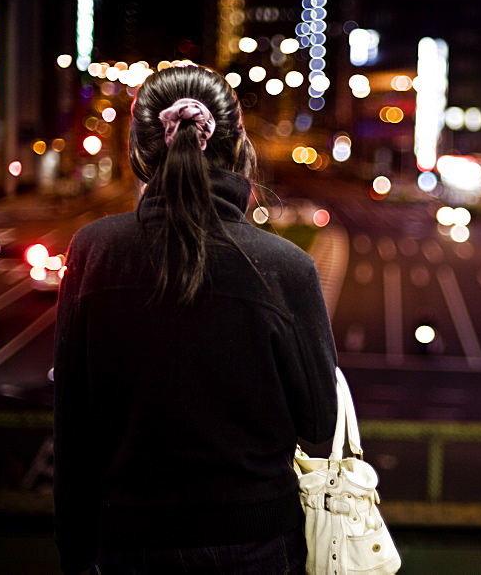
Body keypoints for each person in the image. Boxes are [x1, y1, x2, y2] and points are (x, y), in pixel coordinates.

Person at [53, 64, 338, 574]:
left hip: (128, 542)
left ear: (140, 151)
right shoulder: (285, 266)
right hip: (258, 546)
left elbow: (73, 426)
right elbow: (318, 421)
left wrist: (76, 552)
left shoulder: (95, 251)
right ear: (238, 147)